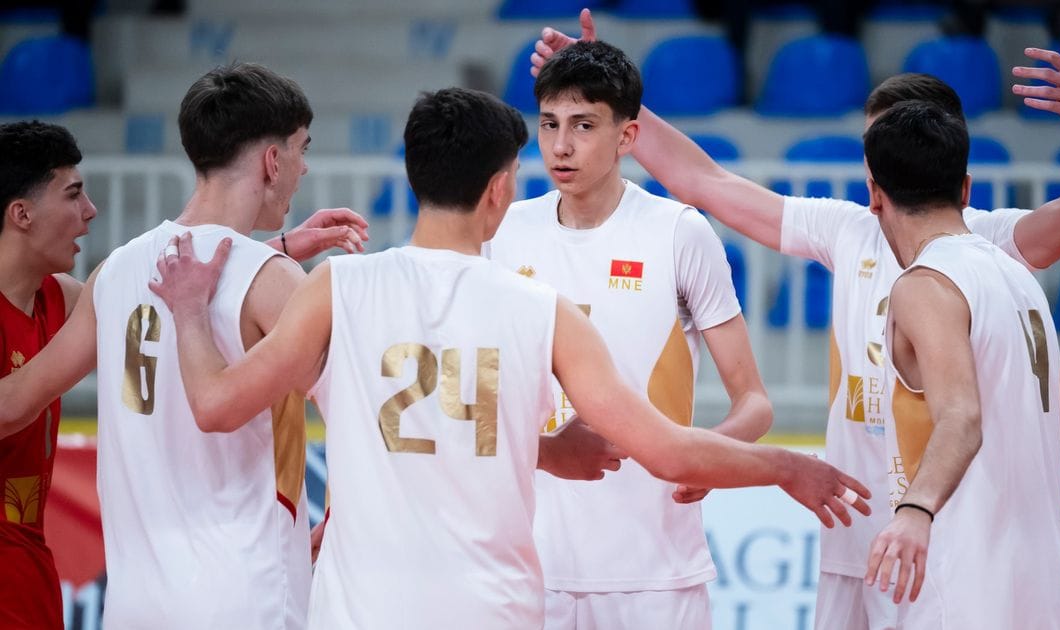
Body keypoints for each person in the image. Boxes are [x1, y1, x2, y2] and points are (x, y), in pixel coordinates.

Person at [148, 86, 872, 629]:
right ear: (500, 190)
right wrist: (788, 467)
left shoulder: (336, 287)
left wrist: (189, 313)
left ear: (413, 175)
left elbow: (216, 405)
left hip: (361, 608)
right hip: (490, 607)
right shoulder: (540, 310)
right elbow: (666, 451)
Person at [533, 12, 1060, 629]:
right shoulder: (861, 232)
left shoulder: (990, 246)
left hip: (937, 538)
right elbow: (704, 180)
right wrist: (609, 97)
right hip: (862, 527)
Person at [0, 62, 370, 629]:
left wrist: (276, 249)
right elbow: (363, 414)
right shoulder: (274, 281)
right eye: (302, 149)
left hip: (134, 603)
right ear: (273, 161)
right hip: (244, 596)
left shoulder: (115, 272)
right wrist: (343, 518)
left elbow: (13, 403)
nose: (304, 168)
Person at [487, 40, 772, 629]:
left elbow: (755, 403)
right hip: (528, 569)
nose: (561, 145)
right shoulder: (503, 232)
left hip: (656, 575)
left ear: (628, 136)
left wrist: (702, 459)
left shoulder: (679, 233)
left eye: (584, 125)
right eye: (549, 123)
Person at [861, 99, 1060, 628]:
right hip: (1042, 588)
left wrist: (915, 511)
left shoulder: (923, 286)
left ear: (875, 196)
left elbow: (961, 417)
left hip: (956, 587)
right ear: (966, 189)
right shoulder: (1021, 280)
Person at [0, 120, 96, 629]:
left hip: (31, 564)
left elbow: (155, 305)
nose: (90, 211)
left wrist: (268, 254)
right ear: (22, 213)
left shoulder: (60, 298)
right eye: (74, 195)